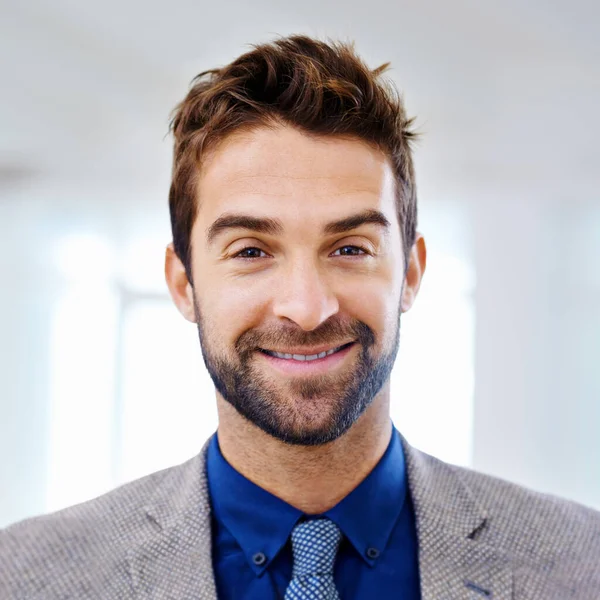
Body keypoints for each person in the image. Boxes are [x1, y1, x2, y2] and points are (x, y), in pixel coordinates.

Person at [1, 34, 599, 600]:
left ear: (411, 273)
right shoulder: (27, 578)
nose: (308, 308)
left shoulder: (582, 564)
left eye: (350, 249)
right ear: (183, 283)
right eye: (252, 252)